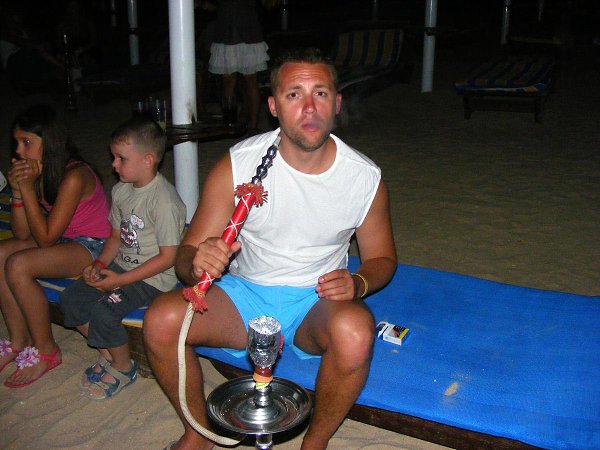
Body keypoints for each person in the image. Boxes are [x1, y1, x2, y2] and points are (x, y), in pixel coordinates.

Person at [143, 48, 397, 449]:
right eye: (294, 94)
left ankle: (314, 443)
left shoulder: (364, 177)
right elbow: (186, 256)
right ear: (274, 106)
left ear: (337, 103)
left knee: (355, 332)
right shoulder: (239, 164)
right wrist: (198, 261)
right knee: (161, 319)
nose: (309, 107)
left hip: (316, 302)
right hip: (244, 294)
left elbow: (382, 258)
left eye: (320, 93)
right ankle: (197, 434)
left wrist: (359, 283)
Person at [59, 116, 186, 399]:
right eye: (114, 157)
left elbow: (168, 258)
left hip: (154, 277)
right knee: (72, 299)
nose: (114, 165)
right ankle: (108, 353)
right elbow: (115, 238)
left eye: (121, 158)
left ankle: (123, 367)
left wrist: (120, 281)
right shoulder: (120, 191)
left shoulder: (163, 201)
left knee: (104, 311)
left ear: (148, 160)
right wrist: (99, 264)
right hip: (122, 266)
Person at [0, 104, 111, 388]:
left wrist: (27, 188)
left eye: (27, 142)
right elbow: (21, 232)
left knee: (18, 265)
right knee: (1, 253)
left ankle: (47, 350)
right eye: (16, 143)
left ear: (48, 143)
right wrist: (18, 192)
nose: (19, 151)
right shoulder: (41, 172)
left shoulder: (75, 176)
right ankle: (18, 340)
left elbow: (46, 239)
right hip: (63, 238)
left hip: (93, 245)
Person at [207, 0, 270, 133]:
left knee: (250, 80)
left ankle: (253, 126)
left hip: (249, 31)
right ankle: (230, 123)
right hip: (225, 30)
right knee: (228, 80)